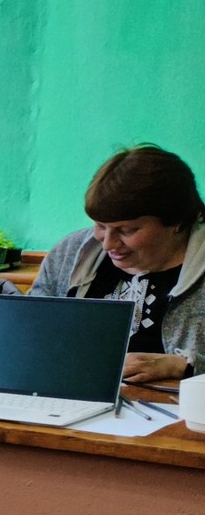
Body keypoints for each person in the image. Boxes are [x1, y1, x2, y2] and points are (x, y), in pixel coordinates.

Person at [29, 146, 205, 382]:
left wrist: (184, 365)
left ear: (177, 222)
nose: (107, 243)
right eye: (100, 226)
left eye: (127, 230)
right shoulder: (70, 253)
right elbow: (29, 332)